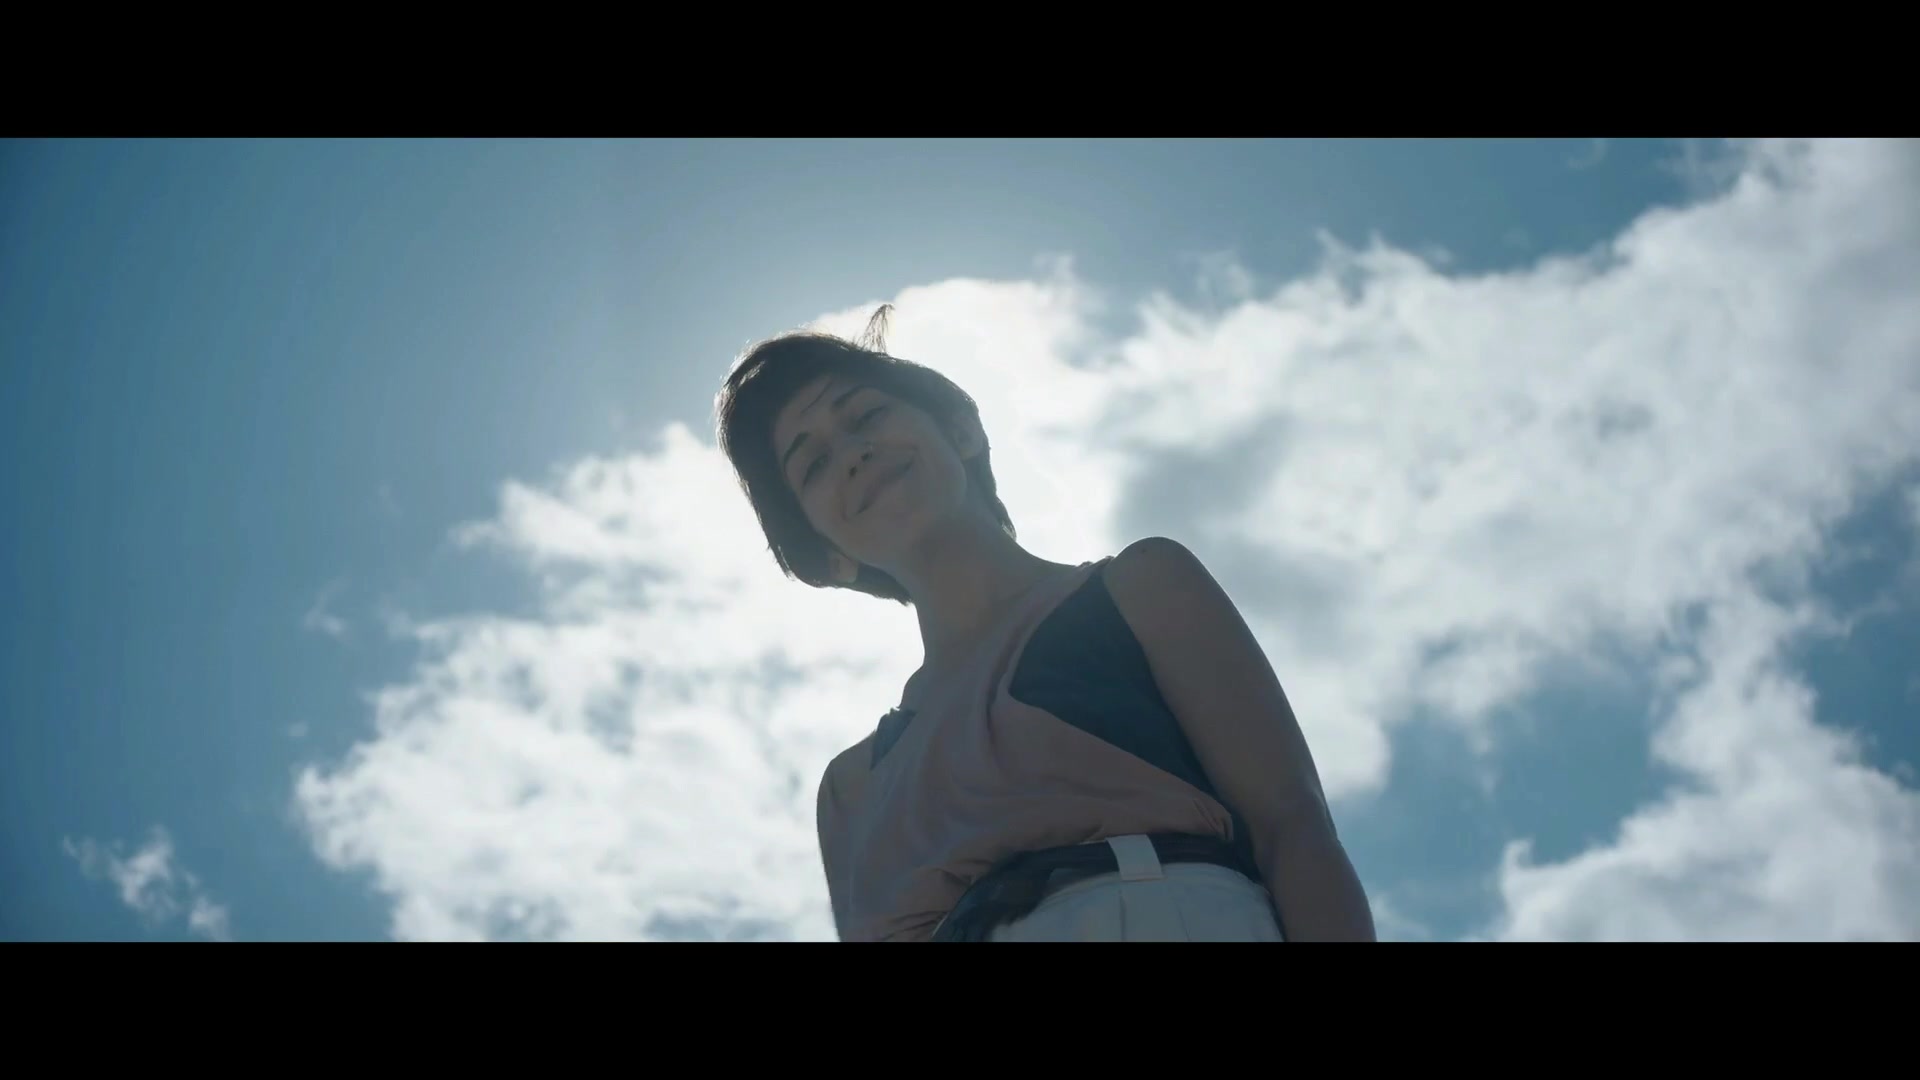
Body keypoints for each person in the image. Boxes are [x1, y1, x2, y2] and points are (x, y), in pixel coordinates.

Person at [715, 306, 1375, 942]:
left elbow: (1291, 827)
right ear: (826, 556)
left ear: (961, 430)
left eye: (866, 415)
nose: (852, 454)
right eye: (813, 465)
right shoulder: (852, 789)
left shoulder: (1140, 588)